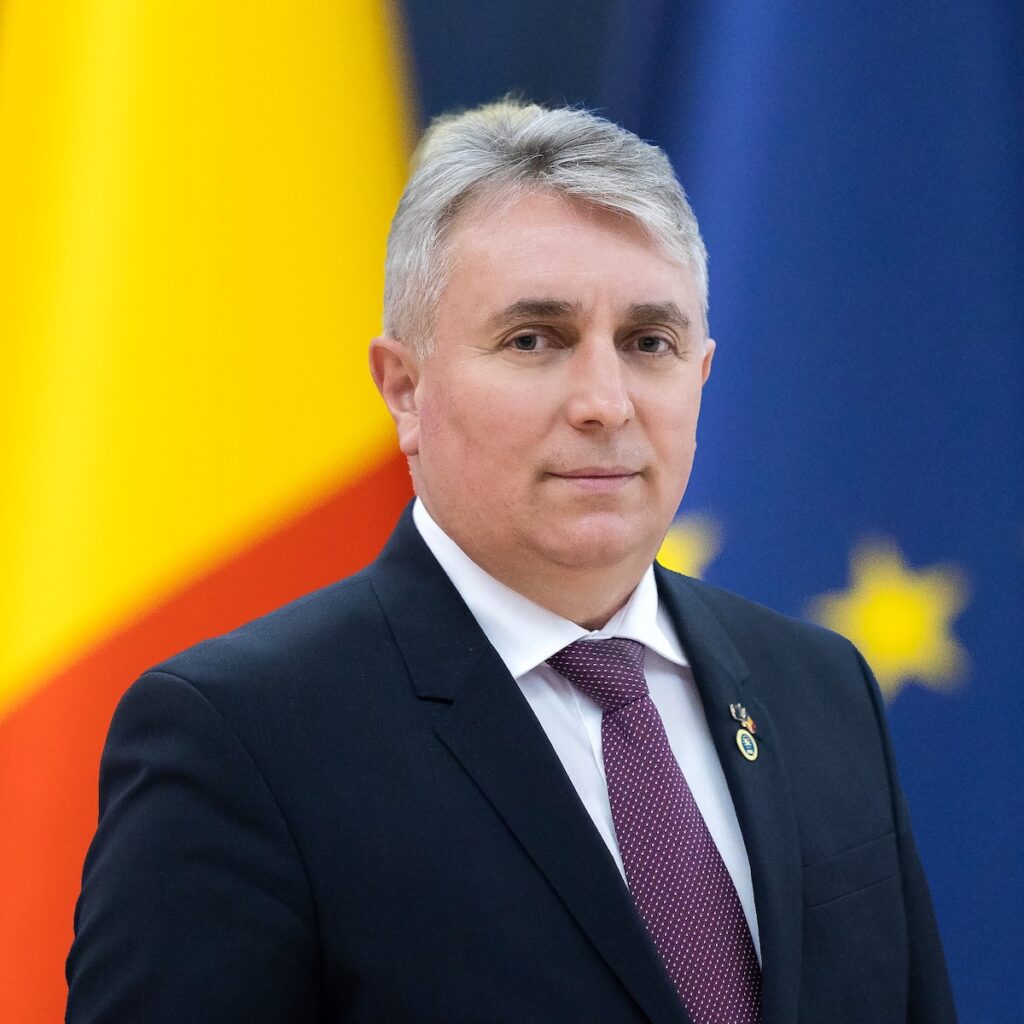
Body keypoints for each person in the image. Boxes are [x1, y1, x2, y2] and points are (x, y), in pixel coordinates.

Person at [66, 100, 957, 1024]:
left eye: (649, 344)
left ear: (700, 377)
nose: (606, 403)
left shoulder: (821, 689)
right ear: (404, 389)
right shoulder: (242, 739)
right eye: (535, 340)